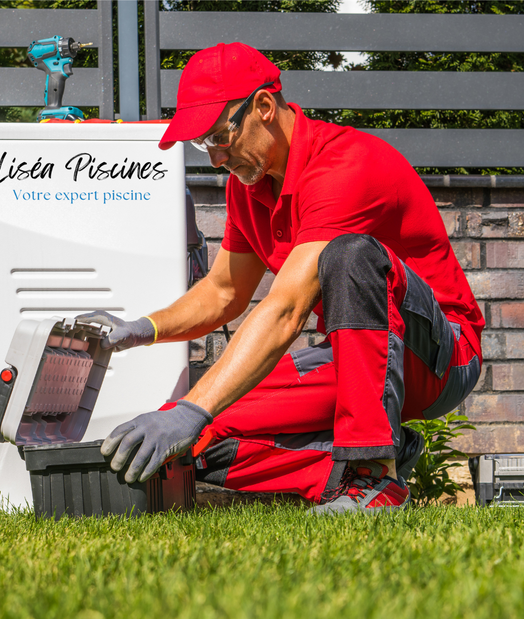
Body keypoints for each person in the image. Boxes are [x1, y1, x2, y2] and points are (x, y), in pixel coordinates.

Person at [78, 42, 483, 514]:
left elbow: (286, 308)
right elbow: (223, 292)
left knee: (350, 255)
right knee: (194, 441)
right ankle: (367, 462)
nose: (214, 159)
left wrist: (194, 406)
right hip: (356, 361)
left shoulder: (345, 165)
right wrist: (139, 330)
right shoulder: (247, 188)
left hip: (440, 356)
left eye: (219, 137)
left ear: (264, 107)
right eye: (202, 145)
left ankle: (374, 476)